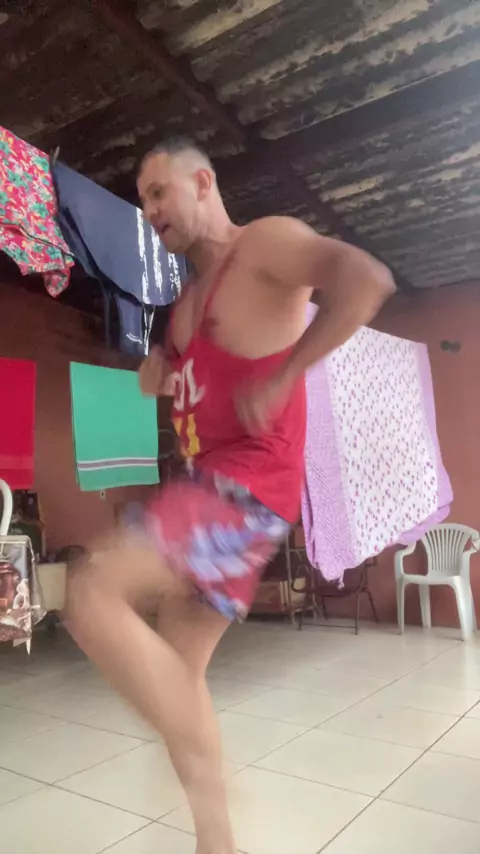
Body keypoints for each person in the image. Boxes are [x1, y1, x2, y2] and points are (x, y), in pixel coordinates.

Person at [65, 137, 394, 854]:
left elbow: (366, 280)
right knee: (179, 675)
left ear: (203, 183)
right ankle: (218, 843)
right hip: (213, 487)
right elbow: (189, 377)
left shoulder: (264, 245)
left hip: (246, 487)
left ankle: (222, 789)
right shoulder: (184, 306)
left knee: (90, 593)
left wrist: (288, 373)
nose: (150, 210)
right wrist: (160, 369)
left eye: (159, 191)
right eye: (143, 200)